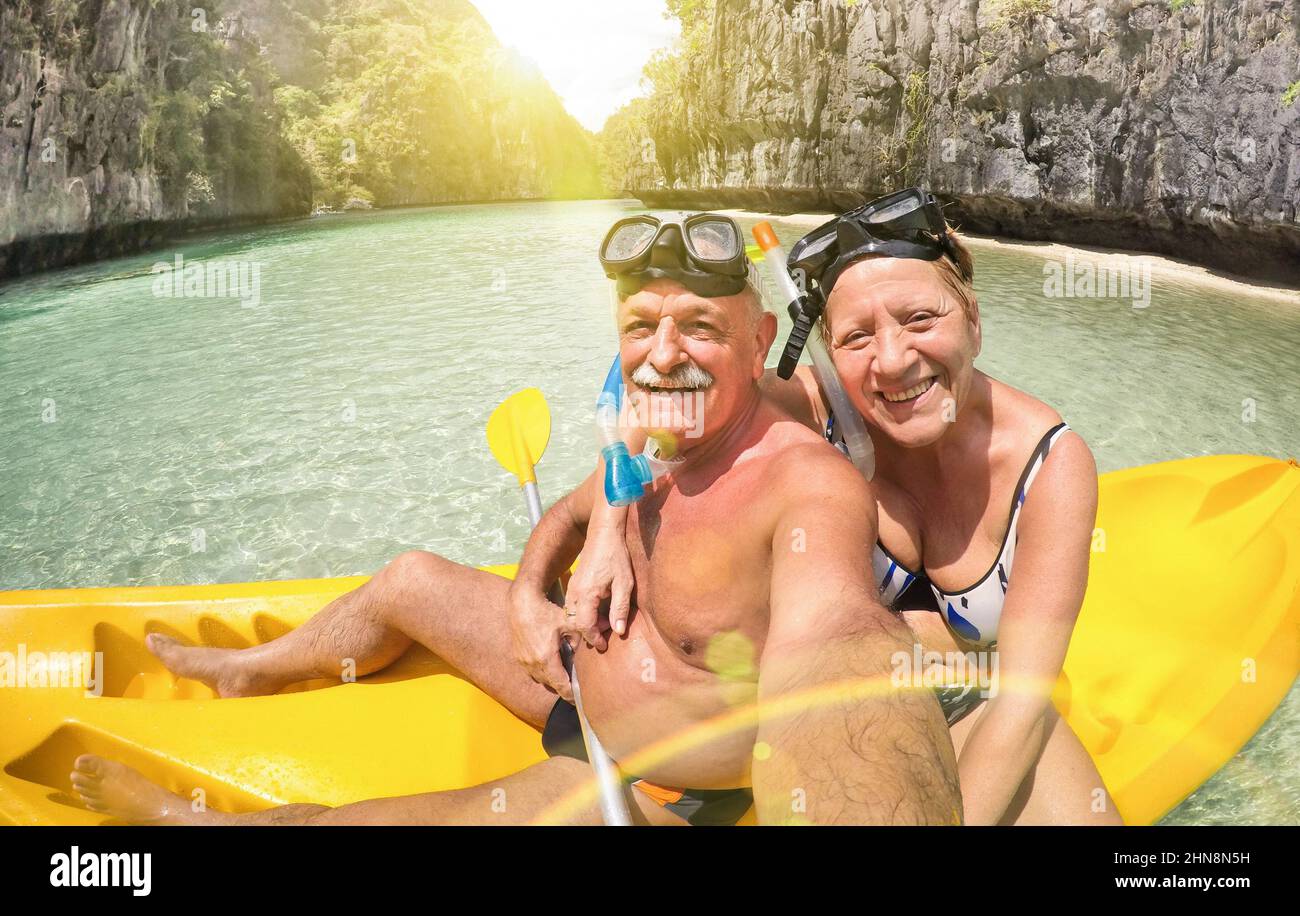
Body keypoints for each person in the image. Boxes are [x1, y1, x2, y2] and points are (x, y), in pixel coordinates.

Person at [69, 212, 961, 826]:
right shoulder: (653, 434)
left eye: (699, 327)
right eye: (640, 327)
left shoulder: (803, 485)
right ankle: (251, 670)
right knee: (410, 578)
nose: (663, 355)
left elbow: (840, 643)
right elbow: (567, 516)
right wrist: (533, 599)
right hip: (571, 679)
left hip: (657, 787)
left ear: (759, 342)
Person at [569, 189, 1122, 826]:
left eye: (919, 319)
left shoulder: (1050, 468)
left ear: (973, 319)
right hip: (834, 721)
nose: (892, 360)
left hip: (980, 708)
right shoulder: (819, 404)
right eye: (857, 337)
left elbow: (1021, 704)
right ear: (829, 352)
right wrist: (606, 529)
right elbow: (662, 382)